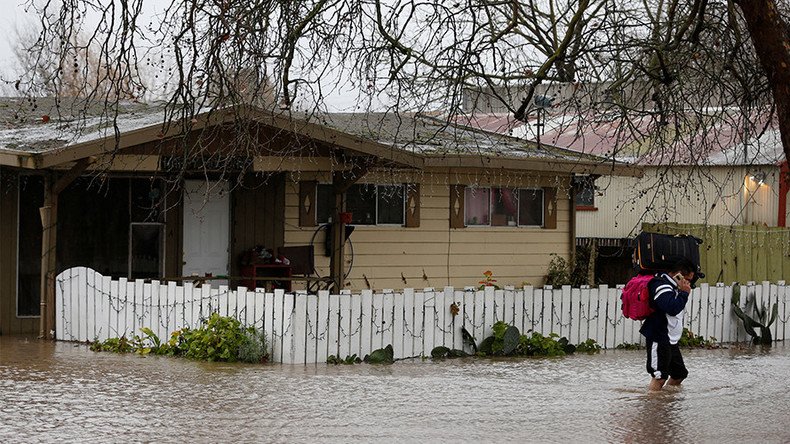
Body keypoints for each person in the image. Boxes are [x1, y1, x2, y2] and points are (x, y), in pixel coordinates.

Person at [640, 257, 696, 391]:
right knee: (659, 376)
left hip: (670, 339)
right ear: (679, 274)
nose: (689, 283)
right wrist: (684, 293)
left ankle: (666, 403)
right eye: (687, 279)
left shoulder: (673, 286)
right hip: (659, 337)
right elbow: (671, 308)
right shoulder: (661, 285)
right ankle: (653, 407)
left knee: (679, 374)